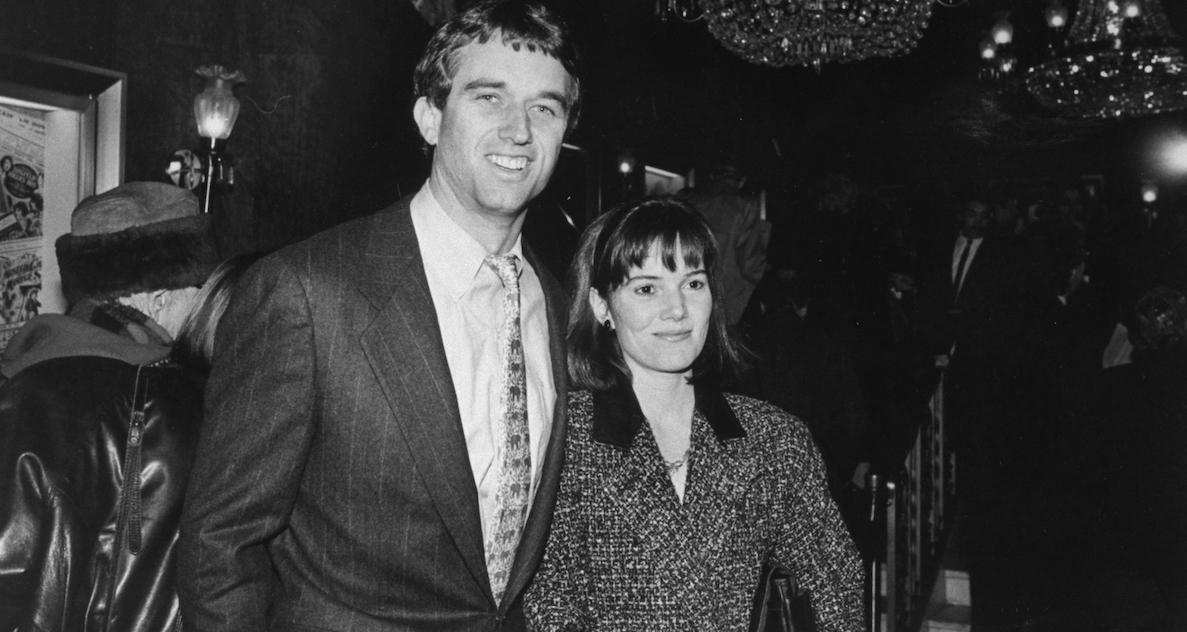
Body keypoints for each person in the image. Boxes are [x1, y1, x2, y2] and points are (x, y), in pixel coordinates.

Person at [178, 2, 580, 630]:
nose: (519, 131)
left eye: (545, 108)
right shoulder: (308, 291)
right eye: (488, 98)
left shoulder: (554, 304)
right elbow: (219, 548)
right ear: (429, 117)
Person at [524, 197, 863, 632]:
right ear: (602, 305)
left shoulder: (775, 441)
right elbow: (546, 602)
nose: (677, 309)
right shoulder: (561, 439)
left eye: (693, 283)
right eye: (647, 288)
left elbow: (838, 592)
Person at [0, 181, 247, 631]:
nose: (205, 304)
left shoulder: (18, 377)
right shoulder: (166, 402)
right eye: (199, 287)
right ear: (159, 297)